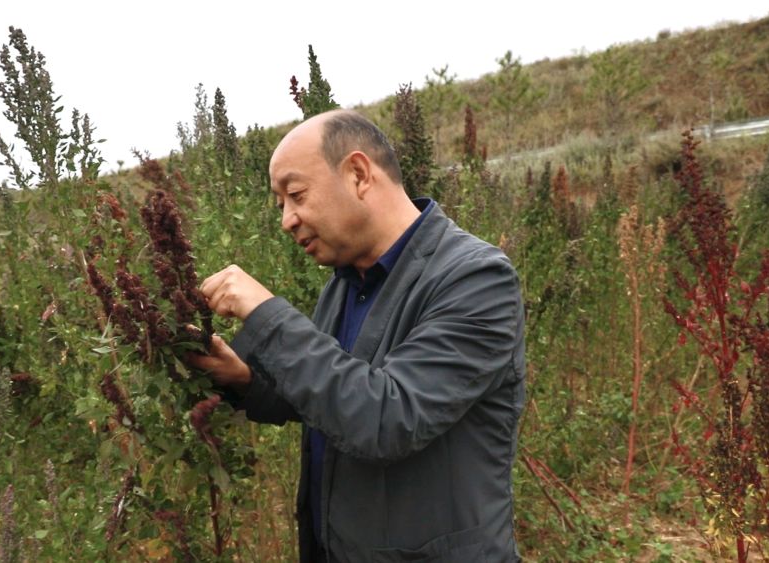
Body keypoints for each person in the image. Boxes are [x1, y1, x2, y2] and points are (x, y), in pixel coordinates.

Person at [189, 109, 525, 562]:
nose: (287, 220)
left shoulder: (475, 280)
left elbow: (387, 419)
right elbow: (332, 399)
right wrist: (243, 380)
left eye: (296, 195)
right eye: (281, 204)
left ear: (359, 175)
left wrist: (266, 316)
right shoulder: (347, 284)